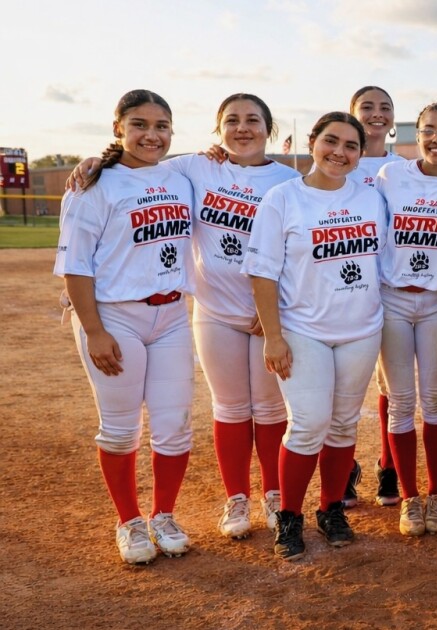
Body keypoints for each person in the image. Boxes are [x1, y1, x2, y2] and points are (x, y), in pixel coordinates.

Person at [64, 95, 303, 540]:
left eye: (253, 120)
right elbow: (129, 168)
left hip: (251, 315)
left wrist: (277, 310)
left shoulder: (290, 179)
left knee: (266, 410)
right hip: (204, 310)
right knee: (224, 409)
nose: (243, 128)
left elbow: (303, 250)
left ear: (269, 129)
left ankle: (269, 494)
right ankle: (221, 502)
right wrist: (92, 160)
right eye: (231, 120)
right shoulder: (192, 168)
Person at [55, 89, 197, 564]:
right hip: (115, 315)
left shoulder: (180, 175)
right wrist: (93, 329)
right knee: (119, 430)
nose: (151, 135)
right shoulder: (93, 185)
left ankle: (163, 515)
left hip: (174, 316)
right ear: (118, 128)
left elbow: (224, 164)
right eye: (139, 124)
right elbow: (75, 265)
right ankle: (129, 522)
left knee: (174, 427)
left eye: (161, 126)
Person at [241, 112, 386, 561]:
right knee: (308, 423)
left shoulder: (372, 196)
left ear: (362, 154)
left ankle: (330, 509)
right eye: (330, 141)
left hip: (361, 328)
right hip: (303, 329)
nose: (339, 152)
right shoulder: (284, 198)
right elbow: (262, 272)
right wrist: (274, 336)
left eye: (350, 145)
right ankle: (289, 515)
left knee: (343, 424)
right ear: (312, 141)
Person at [374, 103, 437, 536]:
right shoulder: (391, 176)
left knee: (435, 400)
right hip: (393, 298)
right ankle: (410, 498)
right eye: (428, 129)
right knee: (400, 402)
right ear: (414, 135)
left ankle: (435, 492)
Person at [345, 85, 407, 509]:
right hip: (342, 290)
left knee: (392, 382)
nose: (377, 114)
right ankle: (344, 466)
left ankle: (389, 466)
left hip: (390, 288)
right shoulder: (335, 163)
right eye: (367, 107)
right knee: (344, 385)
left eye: (385, 107)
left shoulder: (403, 170)